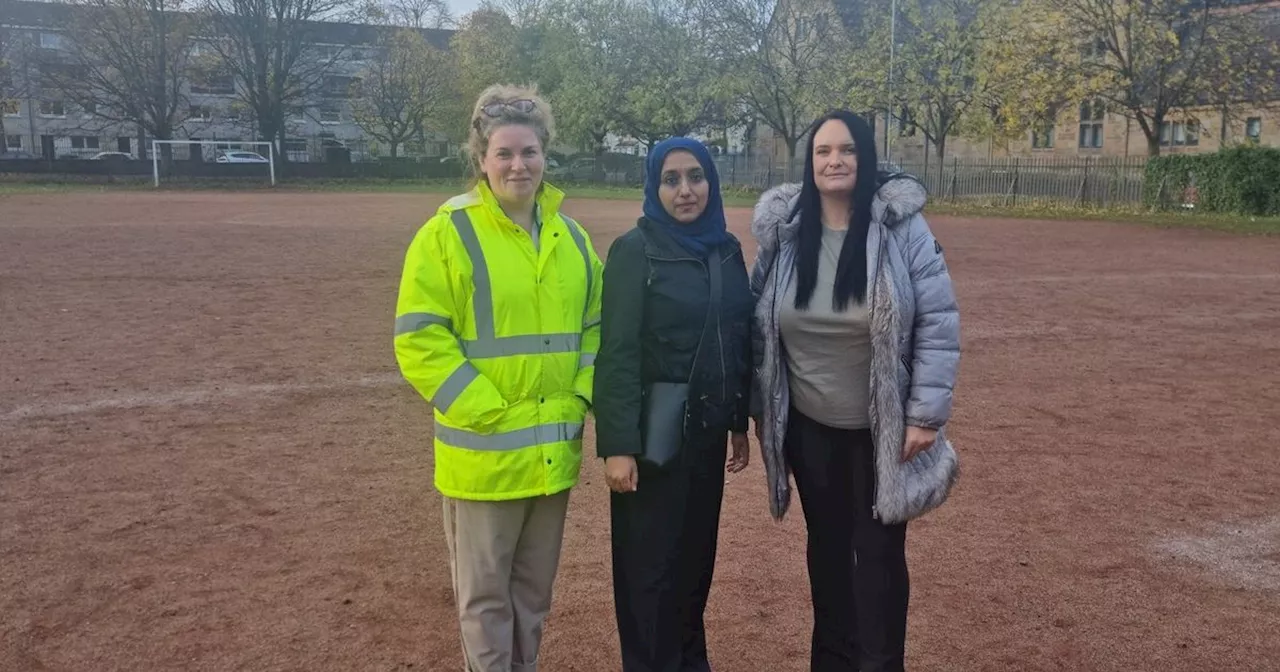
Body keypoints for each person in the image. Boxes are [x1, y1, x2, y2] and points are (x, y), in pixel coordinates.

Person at [393, 83, 603, 672]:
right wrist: (486, 409)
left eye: (529, 152)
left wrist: (578, 397)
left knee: (531, 601)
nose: (519, 164)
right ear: (481, 159)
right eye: (505, 153)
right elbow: (419, 337)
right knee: (485, 604)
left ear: (545, 156)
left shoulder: (572, 239)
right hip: (484, 458)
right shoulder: (446, 234)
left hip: (550, 456)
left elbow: (597, 327)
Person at [749, 110, 961, 672]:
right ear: (809, 162)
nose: (834, 160)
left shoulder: (902, 228)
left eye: (845, 150)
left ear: (863, 158)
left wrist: (925, 415)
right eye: (823, 151)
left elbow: (939, 321)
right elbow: (758, 321)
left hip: (883, 430)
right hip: (809, 429)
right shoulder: (787, 231)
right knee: (826, 552)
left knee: (880, 557)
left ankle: (881, 662)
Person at [593, 137, 755, 672]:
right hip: (651, 442)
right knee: (648, 575)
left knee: (693, 568)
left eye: (695, 177)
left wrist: (737, 423)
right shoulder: (634, 251)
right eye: (671, 179)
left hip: (705, 436)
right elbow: (615, 353)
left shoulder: (726, 249)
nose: (685, 190)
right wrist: (618, 446)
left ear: (711, 181)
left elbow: (736, 338)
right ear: (653, 186)